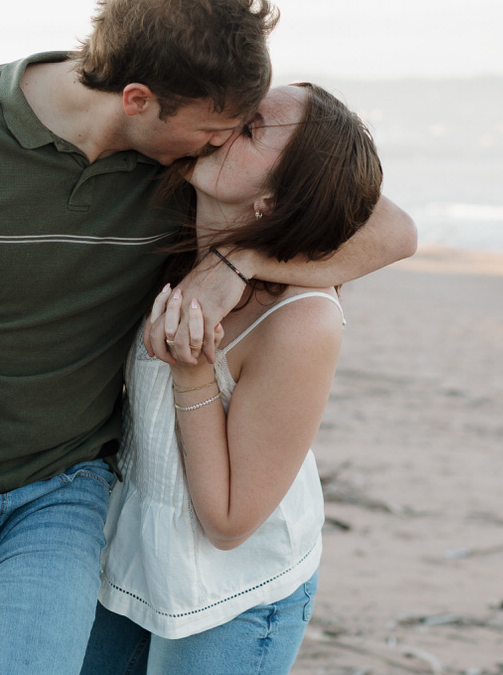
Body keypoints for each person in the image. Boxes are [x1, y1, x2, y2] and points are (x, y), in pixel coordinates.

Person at [0, 0, 416, 675]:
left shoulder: (195, 184)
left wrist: (240, 267)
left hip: (134, 537)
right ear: (138, 100)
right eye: (224, 124)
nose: (223, 136)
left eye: (244, 128)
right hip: (1, 521)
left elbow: (392, 228)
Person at [81, 83, 384, 675]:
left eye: (250, 128)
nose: (225, 121)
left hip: (232, 594)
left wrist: (192, 370)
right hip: (132, 554)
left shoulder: (300, 321)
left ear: (276, 199)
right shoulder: (173, 230)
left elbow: (228, 524)